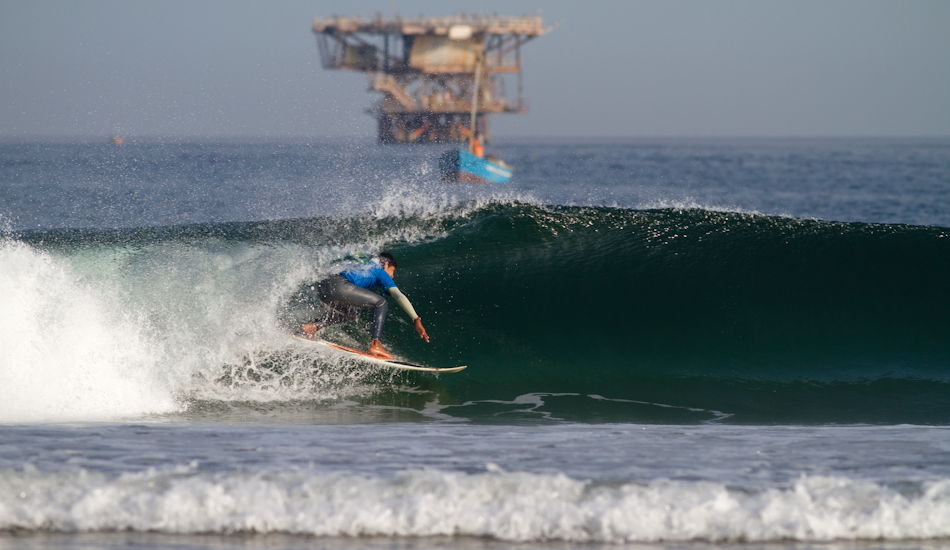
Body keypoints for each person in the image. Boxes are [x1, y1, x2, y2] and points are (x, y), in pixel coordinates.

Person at [300, 252, 429, 359]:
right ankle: (375, 345)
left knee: (352, 313)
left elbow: (334, 280)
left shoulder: (361, 265)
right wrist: (416, 320)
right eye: (392, 271)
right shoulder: (379, 270)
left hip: (323, 288)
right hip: (340, 286)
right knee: (381, 303)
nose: (393, 275)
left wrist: (325, 302)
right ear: (386, 265)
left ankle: (313, 327)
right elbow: (398, 295)